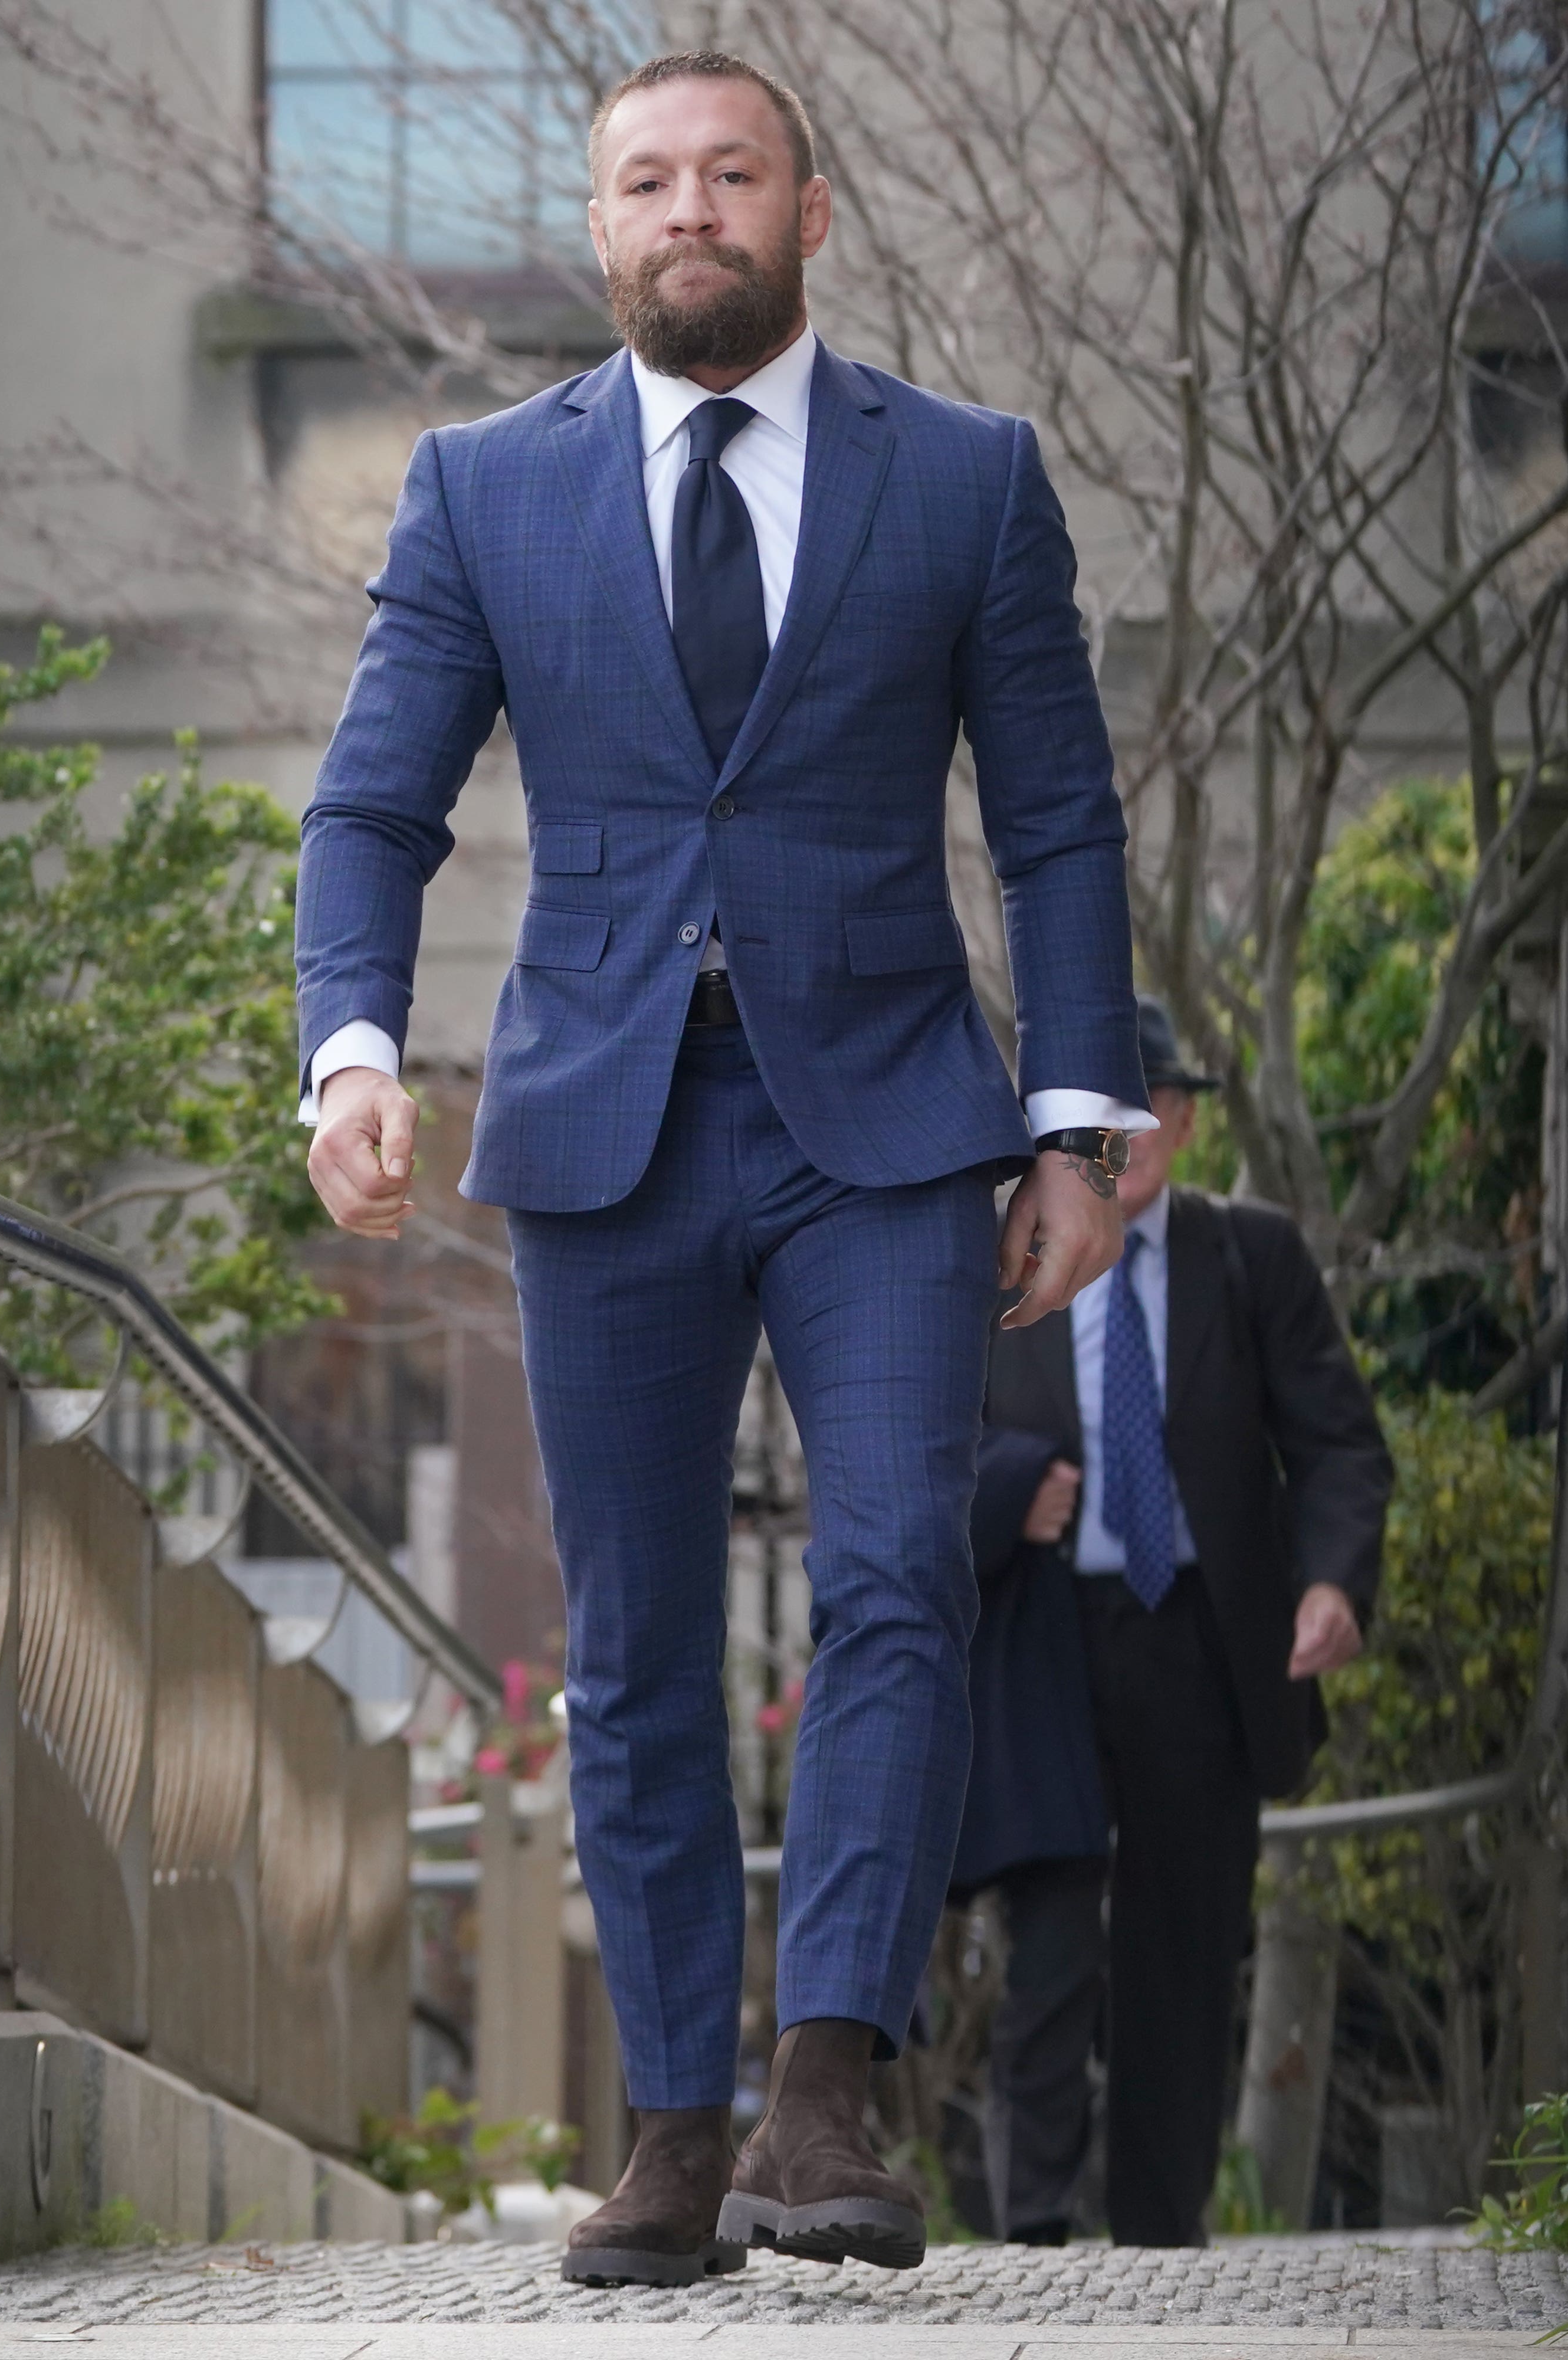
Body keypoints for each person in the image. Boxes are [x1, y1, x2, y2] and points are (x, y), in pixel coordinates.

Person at [294, 50, 1153, 2286]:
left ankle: (827, 2099)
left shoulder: (965, 482)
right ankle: (675, 2134)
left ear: (813, 209)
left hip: (884, 1128)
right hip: (602, 1135)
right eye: (650, 182)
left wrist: (1078, 1122)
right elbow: (377, 800)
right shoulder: (488, 490)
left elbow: (1058, 816)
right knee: (639, 1644)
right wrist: (352, 1054)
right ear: (603, 230)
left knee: (894, 1578)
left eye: (734, 175)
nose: (695, 210)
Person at [953, 1000, 1393, 2247]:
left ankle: (1159, 2235)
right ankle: (1028, 2228)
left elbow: (1340, 1446)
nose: (1122, 1135)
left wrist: (1334, 1581)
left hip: (1199, 1644)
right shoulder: (997, 1264)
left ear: (1189, 1123)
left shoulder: (1252, 1257)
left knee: (1183, 1952)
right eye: (1096, 1112)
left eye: (1147, 1108)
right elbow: (920, 1448)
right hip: (1045, 1642)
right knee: (1046, 1945)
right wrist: (1010, 1490)